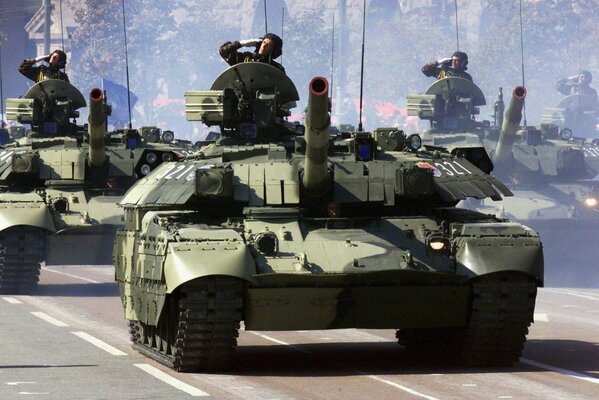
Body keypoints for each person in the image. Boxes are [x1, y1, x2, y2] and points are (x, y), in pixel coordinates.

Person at [219, 33, 285, 73]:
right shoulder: (246, 58)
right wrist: (240, 44)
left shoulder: (276, 67)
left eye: (269, 45)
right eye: (264, 42)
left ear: (273, 50)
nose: (264, 46)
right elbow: (224, 52)